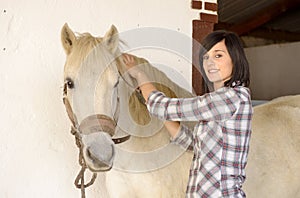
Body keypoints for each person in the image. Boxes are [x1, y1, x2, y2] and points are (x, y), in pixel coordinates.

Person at [123, 30, 253, 198]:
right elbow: (195, 144)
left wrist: (140, 75)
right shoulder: (218, 103)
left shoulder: (232, 98)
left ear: (235, 59)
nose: (210, 62)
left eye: (218, 55)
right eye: (206, 57)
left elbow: (163, 106)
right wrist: (157, 109)